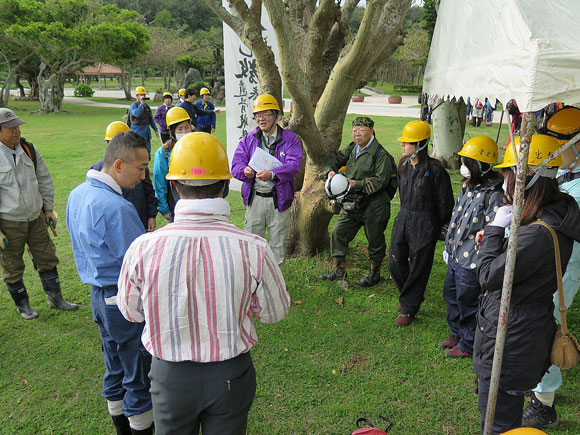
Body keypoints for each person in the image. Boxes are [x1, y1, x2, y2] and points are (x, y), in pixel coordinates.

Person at [117, 132, 291, 435]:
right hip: (230, 375)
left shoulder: (142, 248)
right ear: (225, 185)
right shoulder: (253, 248)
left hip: (169, 376)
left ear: (173, 185)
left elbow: (131, 312)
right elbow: (274, 312)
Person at [474, 134, 580, 435]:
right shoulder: (558, 211)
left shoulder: (536, 236)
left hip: (512, 340)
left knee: (498, 422)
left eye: (508, 175)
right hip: (524, 331)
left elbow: (488, 276)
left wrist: (495, 231)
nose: (505, 184)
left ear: (528, 178)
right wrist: (505, 240)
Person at [66, 131, 154, 434]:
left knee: (114, 367)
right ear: (118, 165)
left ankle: (121, 427)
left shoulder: (77, 193)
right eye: (141, 168)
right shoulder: (118, 208)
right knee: (138, 373)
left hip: (98, 297)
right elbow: (139, 266)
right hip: (122, 301)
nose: (143, 177)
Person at [522, 106, 580, 429]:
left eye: (560, 141)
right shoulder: (564, 171)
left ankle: (544, 403)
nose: (555, 148)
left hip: (564, 266)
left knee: (550, 326)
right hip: (550, 260)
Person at [0, 108, 77, 320]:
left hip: (35, 219)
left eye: (17, 126)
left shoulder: (28, 148)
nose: (16, 131)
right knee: (12, 266)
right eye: (10, 128)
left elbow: (43, 179)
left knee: (47, 258)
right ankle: (23, 306)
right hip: (8, 223)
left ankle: (56, 299)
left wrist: (49, 208)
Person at [439, 136, 503, 358]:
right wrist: (448, 247)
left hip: (472, 260)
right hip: (455, 255)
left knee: (468, 302)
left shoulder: (494, 194)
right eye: (462, 162)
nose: (462, 167)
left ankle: (468, 343)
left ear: (482, 166)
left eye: (467, 163)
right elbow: (456, 217)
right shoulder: (467, 187)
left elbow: (493, 230)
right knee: (451, 296)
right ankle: (456, 333)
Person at [388, 120, 454, 327]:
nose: (403, 145)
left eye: (408, 142)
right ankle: (409, 295)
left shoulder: (436, 171)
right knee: (395, 259)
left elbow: (445, 203)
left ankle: (409, 307)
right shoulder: (403, 165)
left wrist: (439, 226)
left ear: (421, 145)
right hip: (405, 216)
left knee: (419, 265)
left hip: (425, 222)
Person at [320, 116, 397, 287]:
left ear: (372, 132)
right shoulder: (352, 148)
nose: (357, 134)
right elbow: (334, 160)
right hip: (352, 203)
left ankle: (374, 273)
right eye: (354, 130)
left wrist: (356, 183)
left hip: (375, 205)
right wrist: (330, 172)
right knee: (339, 232)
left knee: (375, 240)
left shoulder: (381, 155)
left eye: (361, 130)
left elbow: (380, 182)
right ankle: (339, 269)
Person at [231, 93, 303, 266]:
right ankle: (254, 284)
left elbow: (294, 165)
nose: (261, 119)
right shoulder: (249, 140)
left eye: (266, 114)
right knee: (251, 244)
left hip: (278, 200)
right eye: (257, 115)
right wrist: (244, 170)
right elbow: (236, 165)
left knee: (278, 245)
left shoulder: (290, 139)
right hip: (255, 199)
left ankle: (276, 286)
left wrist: (273, 174)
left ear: (276, 116)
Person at [92, 121, 157, 232]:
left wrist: (151, 215)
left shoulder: (139, 166)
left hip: (139, 217)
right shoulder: (97, 169)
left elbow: (149, 191)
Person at [153, 106, 193, 222]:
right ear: (172, 131)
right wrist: (164, 209)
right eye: (179, 129)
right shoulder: (163, 153)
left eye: (187, 127)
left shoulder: (198, 148)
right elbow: (159, 181)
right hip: (175, 203)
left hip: (197, 200)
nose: (184, 132)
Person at [129, 86, 159, 154]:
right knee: (138, 152)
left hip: (146, 132)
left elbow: (151, 119)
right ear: (137, 96)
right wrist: (141, 104)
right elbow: (136, 114)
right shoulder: (133, 106)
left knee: (147, 152)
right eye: (141, 95)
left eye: (144, 95)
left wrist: (155, 130)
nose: (143, 96)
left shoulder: (147, 106)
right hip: (137, 132)